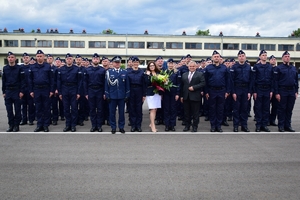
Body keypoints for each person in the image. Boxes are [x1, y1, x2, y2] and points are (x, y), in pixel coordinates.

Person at [204, 50, 230, 132]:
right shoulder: (208, 68)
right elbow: (205, 81)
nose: (216, 58)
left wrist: (227, 91)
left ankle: (218, 126)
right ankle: (213, 126)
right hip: (211, 91)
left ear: (220, 58)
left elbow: (228, 80)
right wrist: (206, 92)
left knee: (220, 109)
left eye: (218, 56)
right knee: (212, 109)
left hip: (222, 91)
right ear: (212, 58)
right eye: (215, 56)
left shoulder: (224, 68)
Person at [28, 50, 54, 132]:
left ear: (44, 57)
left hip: (46, 89)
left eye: (41, 56)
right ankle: (39, 125)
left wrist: (51, 90)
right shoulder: (32, 67)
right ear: (36, 57)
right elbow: (30, 80)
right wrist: (31, 91)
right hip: (36, 89)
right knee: (38, 108)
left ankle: (46, 125)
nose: (39, 57)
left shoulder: (48, 66)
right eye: (38, 56)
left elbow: (51, 79)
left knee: (46, 108)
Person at [57, 53, 82, 132]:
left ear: (72, 60)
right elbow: (59, 82)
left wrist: (78, 92)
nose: (69, 60)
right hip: (64, 89)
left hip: (73, 89)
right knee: (66, 108)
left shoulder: (77, 69)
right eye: (67, 59)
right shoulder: (61, 69)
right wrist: (60, 93)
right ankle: (68, 124)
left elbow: (80, 82)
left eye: (70, 59)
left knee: (74, 108)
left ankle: (73, 125)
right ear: (65, 60)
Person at [105, 56, 130, 134]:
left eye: (118, 62)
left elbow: (127, 85)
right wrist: (107, 95)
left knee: (121, 113)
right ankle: (113, 127)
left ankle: (121, 127)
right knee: (112, 113)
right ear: (112, 63)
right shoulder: (109, 72)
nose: (117, 64)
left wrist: (127, 95)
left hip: (121, 96)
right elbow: (106, 85)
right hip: (112, 96)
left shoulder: (124, 72)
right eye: (116, 62)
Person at [274, 51, 298, 132]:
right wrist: (277, 93)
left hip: (291, 91)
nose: (287, 57)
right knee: (282, 109)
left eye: (288, 56)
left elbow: (295, 81)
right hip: (282, 90)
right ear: (282, 58)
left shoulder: (293, 68)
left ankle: (288, 125)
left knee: (289, 109)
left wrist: (296, 91)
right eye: (286, 56)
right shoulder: (279, 68)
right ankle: (281, 125)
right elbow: (276, 81)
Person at [2, 51, 25, 132]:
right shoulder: (5, 68)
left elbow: (23, 81)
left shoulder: (19, 68)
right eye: (9, 57)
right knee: (9, 110)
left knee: (17, 109)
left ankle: (16, 125)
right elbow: (4, 81)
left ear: (15, 59)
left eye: (12, 57)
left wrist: (22, 91)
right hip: (8, 91)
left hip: (16, 90)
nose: (10, 59)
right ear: (7, 59)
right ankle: (11, 125)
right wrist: (3, 92)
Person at [180, 61, 205, 132]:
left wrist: (194, 87)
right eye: (190, 66)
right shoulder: (184, 74)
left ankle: (195, 126)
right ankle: (187, 125)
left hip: (195, 96)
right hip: (186, 96)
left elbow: (203, 83)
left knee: (195, 113)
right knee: (187, 112)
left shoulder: (200, 74)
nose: (191, 68)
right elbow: (182, 86)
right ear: (188, 67)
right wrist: (181, 96)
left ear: (196, 67)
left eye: (193, 66)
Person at [230, 50, 252, 132]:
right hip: (237, 89)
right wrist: (233, 92)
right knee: (236, 109)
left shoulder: (248, 67)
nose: (241, 57)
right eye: (240, 56)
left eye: (243, 56)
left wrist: (250, 92)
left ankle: (244, 125)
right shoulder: (234, 67)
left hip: (246, 89)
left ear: (245, 57)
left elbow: (251, 80)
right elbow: (231, 81)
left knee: (244, 108)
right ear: (238, 57)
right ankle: (236, 126)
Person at [252, 50, 274, 132]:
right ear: (260, 56)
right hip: (259, 89)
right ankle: (258, 125)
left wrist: (271, 90)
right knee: (258, 108)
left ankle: (264, 125)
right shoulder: (256, 67)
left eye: (265, 55)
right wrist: (254, 91)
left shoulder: (269, 67)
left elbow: (272, 80)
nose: (265, 56)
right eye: (263, 55)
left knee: (266, 108)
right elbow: (253, 80)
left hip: (267, 89)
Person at [84, 53, 106, 132]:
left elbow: (104, 83)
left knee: (100, 109)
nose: (95, 60)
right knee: (92, 109)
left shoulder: (102, 70)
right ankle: (93, 125)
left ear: (99, 60)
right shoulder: (87, 70)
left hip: (100, 90)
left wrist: (104, 93)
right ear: (92, 60)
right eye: (94, 59)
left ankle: (99, 125)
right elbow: (85, 82)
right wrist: (86, 93)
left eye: (97, 59)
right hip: (91, 90)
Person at [127, 56, 146, 132]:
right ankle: (133, 125)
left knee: (138, 109)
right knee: (132, 109)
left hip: (139, 90)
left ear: (138, 63)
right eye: (134, 62)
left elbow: (144, 84)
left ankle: (138, 125)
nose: (135, 64)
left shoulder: (141, 72)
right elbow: (127, 84)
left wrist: (144, 94)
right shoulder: (128, 72)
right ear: (132, 63)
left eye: (137, 62)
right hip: (131, 90)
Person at [163, 58, 180, 131]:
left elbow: (179, 84)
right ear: (167, 64)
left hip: (173, 93)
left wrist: (177, 94)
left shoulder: (177, 72)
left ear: (174, 64)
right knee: (166, 109)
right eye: (169, 63)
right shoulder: (164, 72)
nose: (170, 65)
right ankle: (167, 124)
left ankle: (172, 125)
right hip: (166, 93)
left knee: (173, 109)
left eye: (172, 63)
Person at [145, 61, 161, 132]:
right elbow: (146, 83)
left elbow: (161, 83)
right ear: (148, 67)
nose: (152, 67)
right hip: (150, 93)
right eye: (150, 66)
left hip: (157, 93)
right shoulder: (147, 74)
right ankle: (153, 125)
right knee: (152, 109)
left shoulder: (158, 73)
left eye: (153, 65)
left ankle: (151, 123)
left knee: (156, 109)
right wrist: (148, 76)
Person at [20, 52, 35, 126]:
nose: (25, 59)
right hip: (23, 89)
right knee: (23, 105)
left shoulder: (32, 67)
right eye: (24, 58)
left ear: (29, 58)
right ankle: (24, 119)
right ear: (22, 59)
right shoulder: (20, 68)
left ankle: (31, 119)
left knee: (31, 105)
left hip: (30, 89)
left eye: (27, 57)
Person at [269, 55, 278, 126]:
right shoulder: (267, 68)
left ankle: (272, 120)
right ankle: (267, 120)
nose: (273, 60)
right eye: (272, 59)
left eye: (274, 59)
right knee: (266, 107)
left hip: (276, 90)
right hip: (268, 90)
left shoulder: (278, 69)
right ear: (269, 61)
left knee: (275, 106)